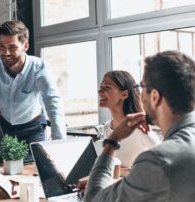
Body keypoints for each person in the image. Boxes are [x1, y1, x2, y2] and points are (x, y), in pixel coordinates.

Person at [82, 50, 195, 202]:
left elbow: (94, 199)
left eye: (141, 87)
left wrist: (112, 141)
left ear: (154, 96)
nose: (139, 94)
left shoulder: (158, 160)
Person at [0, 20, 66, 152]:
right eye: (2, 46)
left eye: (12, 47)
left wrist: (59, 143)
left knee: (35, 168)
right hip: (4, 127)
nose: (6, 52)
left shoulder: (39, 67)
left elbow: (53, 102)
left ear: (25, 46)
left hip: (32, 129)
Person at [97, 70, 160, 168]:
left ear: (124, 94)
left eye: (107, 87)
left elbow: (164, 159)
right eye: (101, 87)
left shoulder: (139, 127)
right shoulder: (107, 127)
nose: (100, 91)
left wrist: (123, 172)